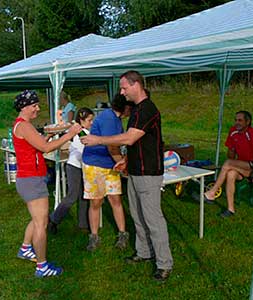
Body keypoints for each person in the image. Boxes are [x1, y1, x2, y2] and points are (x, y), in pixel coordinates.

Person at [81, 70, 173, 281]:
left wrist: (98, 140)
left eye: (124, 88)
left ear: (136, 85)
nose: (121, 93)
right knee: (137, 215)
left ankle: (164, 263)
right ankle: (143, 252)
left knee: (153, 218)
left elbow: (130, 139)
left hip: (148, 173)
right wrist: (126, 161)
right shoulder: (137, 110)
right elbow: (138, 143)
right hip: (135, 170)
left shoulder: (148, 109)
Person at [12, 90, 81, 278]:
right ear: (25, 107)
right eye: (34, 105)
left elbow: (37, 145)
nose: (38, 108)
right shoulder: (24, 126)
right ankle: (42, 266)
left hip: (29, 178)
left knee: (36, 218)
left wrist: (50, 135)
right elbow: (44, 148)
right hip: (31, 179)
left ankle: (26, 248)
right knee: (41, 223)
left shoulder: (23, 126)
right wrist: (70, 134)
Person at [82, 93, 131, 252]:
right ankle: (94, 236)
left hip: (110, 164)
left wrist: (120, 162)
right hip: (95, 164)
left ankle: (122, 233)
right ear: (125, 107)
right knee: (96, 202)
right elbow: (111, 146)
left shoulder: (115, 119)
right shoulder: (109, 119)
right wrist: (122, 164)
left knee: (115, 199)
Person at [204, 110, 253, 217]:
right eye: (236, 120)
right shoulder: (233, 131)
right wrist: (231, 148)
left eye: (240, 120)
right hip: (243, 166)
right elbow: (231, 154)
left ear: (248, 122)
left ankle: (212, 193)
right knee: (231, 173)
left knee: (228, 163)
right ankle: (230, 209)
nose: (237, 122)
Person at [48, 108, 95, 234]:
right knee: (72, 196)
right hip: (74, 167)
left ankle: (83, 224)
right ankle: (53, 219)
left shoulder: (86, 131)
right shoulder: (80, 133)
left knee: (84, 196)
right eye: (89, 120)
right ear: (81, 120)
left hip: (84, 167)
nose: (92, 122)